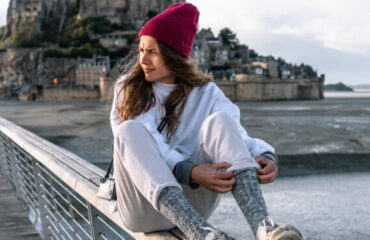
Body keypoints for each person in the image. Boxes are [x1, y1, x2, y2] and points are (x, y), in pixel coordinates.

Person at [110, 3, 302, 240]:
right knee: (129, 130)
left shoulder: (206, 92)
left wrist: (265, 155)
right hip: (142, 208)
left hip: (194, 205)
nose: (143, 60)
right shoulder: (127, 88)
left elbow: (235, 133)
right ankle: (201, 234)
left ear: (174, 55)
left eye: (153, 52)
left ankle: (263, 226)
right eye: (141, 50)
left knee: (220, 121)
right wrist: (189, 171)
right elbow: (150, 138)